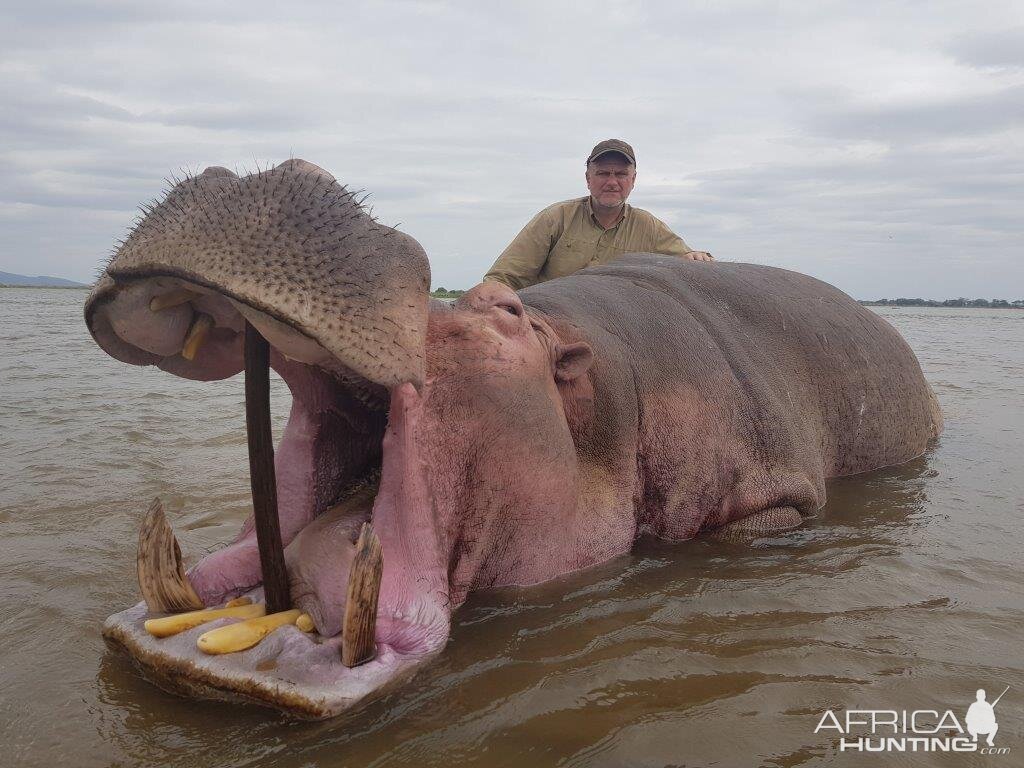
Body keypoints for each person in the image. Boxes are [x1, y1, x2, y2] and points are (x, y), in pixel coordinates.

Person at [484, 139, 712, 290]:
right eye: (603, 173)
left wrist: (696, 256)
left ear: (633, 180)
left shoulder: (649, 227)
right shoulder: (555, 218)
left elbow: (686, 261)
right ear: (588, 179)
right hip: (549, 327)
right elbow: (502, 279)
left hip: (615, 333)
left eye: (621, 174)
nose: (612, 182)